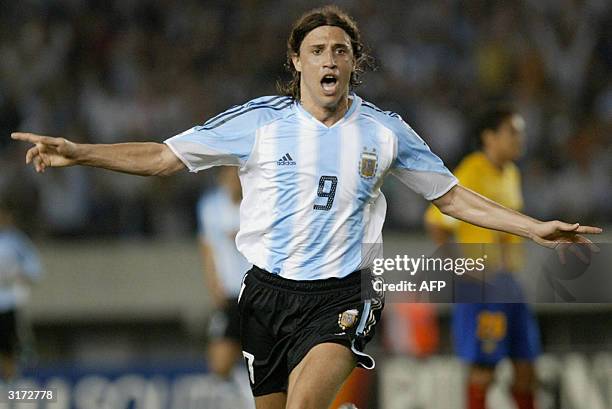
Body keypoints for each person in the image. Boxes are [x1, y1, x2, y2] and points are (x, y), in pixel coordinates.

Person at [11, 6, 600, 409]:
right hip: (264, 296)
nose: (329, 60)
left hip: (341, 296)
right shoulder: (259, 123)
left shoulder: (384, 132)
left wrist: (534, 229)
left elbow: (452, 197)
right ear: (297, 60)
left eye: (340, 51)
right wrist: (79, 152)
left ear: (353, 64)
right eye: (317, 49)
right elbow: (165, 157)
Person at [425, 108, 539, 409]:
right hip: (482, 286)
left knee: (526, 368)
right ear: (489, 136)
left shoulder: (511, 173)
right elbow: (436, 222)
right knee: (483, 369)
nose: (519, 138)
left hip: (509, 283)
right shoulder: (472, 171)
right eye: (512, 132)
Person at [196, 166, 254, 408]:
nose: (234, 180)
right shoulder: (210, 206)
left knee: (264, 359)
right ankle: (245, 395)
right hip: (229, 293)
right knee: (219, 363)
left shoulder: (257, 202)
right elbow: (207, 247)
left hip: (256, 292)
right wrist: (213, 284)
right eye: (229, 175)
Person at [0, 198, 43, 381]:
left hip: (10, 301)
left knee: (12, 346)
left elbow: (35, 269)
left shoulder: (17, 241)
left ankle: (14, 384)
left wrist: (15, 277)